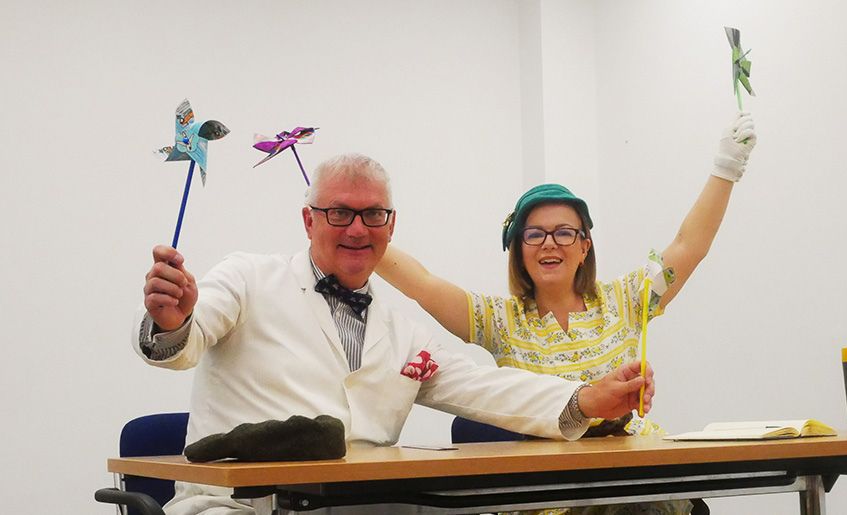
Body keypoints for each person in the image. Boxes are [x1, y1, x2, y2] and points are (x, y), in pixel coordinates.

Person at [136, 153, 656, 515]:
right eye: (339, 212)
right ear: (308, 220)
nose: (358, 228)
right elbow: (187, 339)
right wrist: (174, 320)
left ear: (391, 225)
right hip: (238, 505)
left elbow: (484, 387)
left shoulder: (402, 334)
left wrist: (587, 398)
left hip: (356, 504)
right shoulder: (246, 278)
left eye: (374, 214)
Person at [375, 113, 757, 515]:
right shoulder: (498, 320)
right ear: (518, 250)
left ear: (584, 247)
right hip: (552, 497)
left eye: (564, 232)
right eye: (534, 234)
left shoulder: (626, 299)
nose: (549, 244)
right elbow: (421, 282)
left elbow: (688, 245)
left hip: (637, 484)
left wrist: (726, 167)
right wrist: (361, 233)